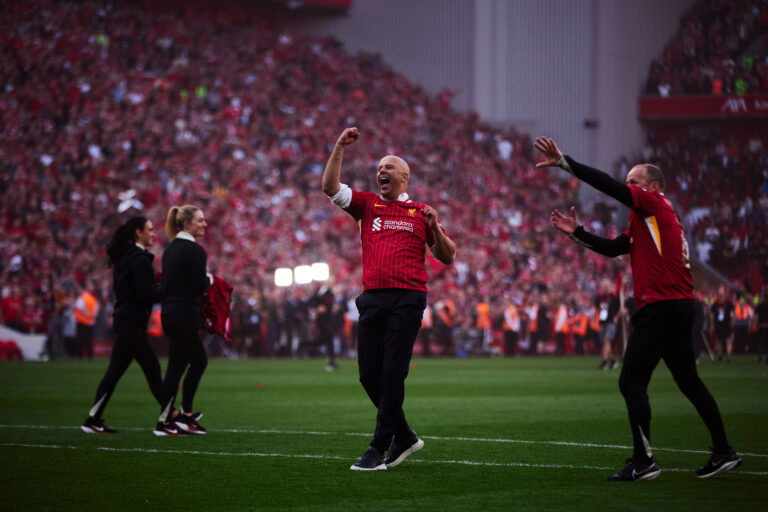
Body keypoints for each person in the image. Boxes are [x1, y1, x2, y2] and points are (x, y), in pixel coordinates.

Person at [534, 136, 741, 481]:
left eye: (635, 181)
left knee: (631, 380)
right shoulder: (651, 217)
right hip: (678, 306)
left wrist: (564, 163)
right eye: (628, 181)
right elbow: (614, 248)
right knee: (688, 381)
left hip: (661, 306)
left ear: (653, 186)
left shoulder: (653, 204)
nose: (628, 186)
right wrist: (577, 232)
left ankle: (644, 462)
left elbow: (609, 186)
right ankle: (724, 451)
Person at [322, 127, 456, 471]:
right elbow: (330, 187)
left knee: (393, 373)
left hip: (408, 297)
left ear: (404, 176)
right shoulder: (368, 204)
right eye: (379, 167)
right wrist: (339, 146)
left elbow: (448, 255)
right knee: (369, 376)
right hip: (372, 298)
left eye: (388, 167)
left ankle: (378, 448)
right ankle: (405, 437)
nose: (381, 171)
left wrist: (435, 227)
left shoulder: (421, 212)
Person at [81, 216, 167, 434]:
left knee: (127, 371)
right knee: (148, 370)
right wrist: (170, 290)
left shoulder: (128, 257)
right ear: (138, 232)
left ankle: (94, 418)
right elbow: (145, 294)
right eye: (150, 229)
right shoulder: (138, 259)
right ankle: (170, 415)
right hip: (132, 322)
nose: (153, 233)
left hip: (126, 320)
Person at [155, 205, 211, 436]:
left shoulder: (170, 249)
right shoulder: (195, 250)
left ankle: (174, 417)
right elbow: (198, 285)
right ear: (186, 223)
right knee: (195, 363)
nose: (204, 224)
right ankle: (177, 417)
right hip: (185, 313)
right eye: (200, 220)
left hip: (169, 313)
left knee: (178, 366)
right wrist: (209, 280)